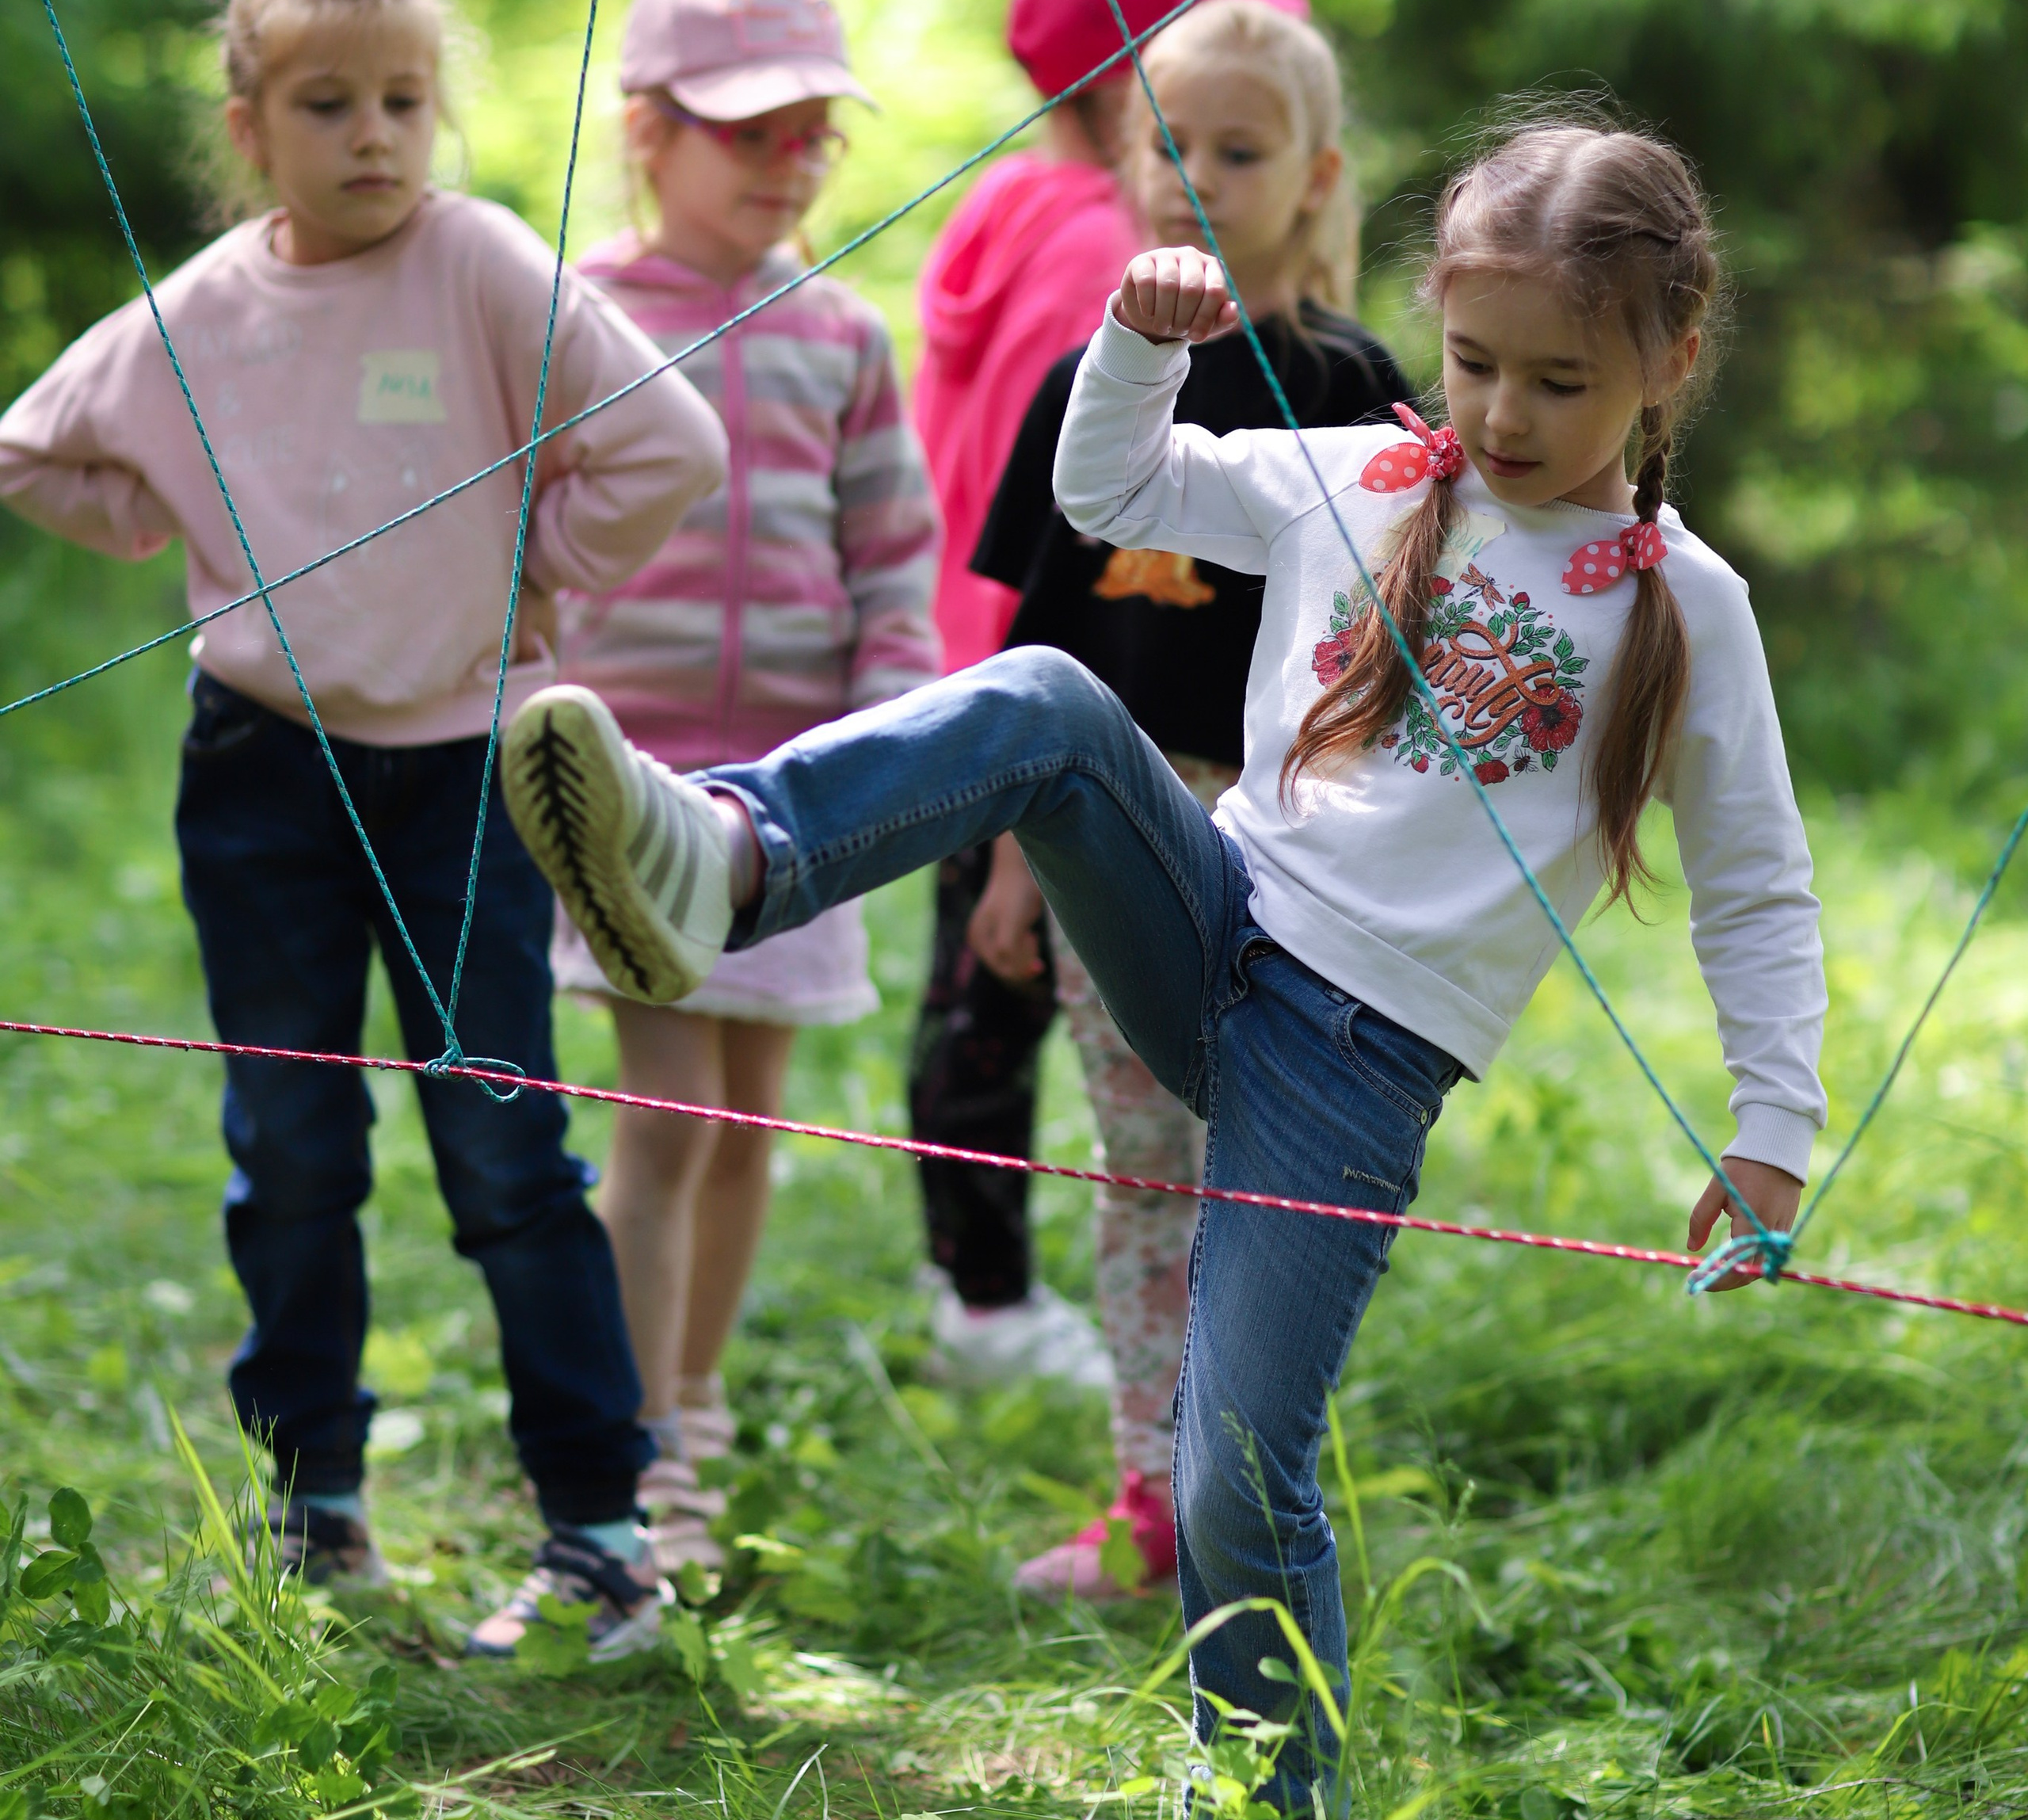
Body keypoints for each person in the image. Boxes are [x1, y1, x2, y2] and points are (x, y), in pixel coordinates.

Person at [499, 114, 1828, 1799]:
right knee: (1051, 698)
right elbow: (1112, 493)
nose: (1502, 413)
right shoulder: (1363, 477)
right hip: (1209, 914)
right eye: (1474, 360)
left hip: (1351, 1069)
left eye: (1558, 381)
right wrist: (1136, 345)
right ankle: (730, 855)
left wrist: (1772, 1126)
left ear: (1669, 359)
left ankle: (1276, 1789)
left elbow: (1756, 886)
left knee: (1231, 1474)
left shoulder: (1684, 607)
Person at [0, 0, 729, 1662]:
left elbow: (669, 443)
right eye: (327, 104)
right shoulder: (200, 308)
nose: (375, 135)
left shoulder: (475, 261)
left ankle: (601, 1533)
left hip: (466, 775)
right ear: (250, 126)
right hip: (261, 778)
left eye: (404, 98)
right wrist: (181, 523)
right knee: (291, 1148)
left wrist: (540, 562)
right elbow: (34, 450)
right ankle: (313, 1507)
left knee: (503, 1145)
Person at [966, 0, 1409, 1599]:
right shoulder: (1090, 383)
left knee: (1272, 1163)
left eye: (1239, 148)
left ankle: (1249, 1479)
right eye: (1166, 140)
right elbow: (1037, 649)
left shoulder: (1356, 388)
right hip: (1110, 820)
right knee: (1141, 1154)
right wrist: (1013, 856)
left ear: (1316, 176)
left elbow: (1399, 650)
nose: (1193, 174)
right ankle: (1151, 1497)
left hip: (1297, 830)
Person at [549, 0, 940, 1574]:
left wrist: (884, 737)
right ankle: (629, 1436)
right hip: (618, 784)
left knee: (749, 1115)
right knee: (667, 1111)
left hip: (792, 792)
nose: (788, 164)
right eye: (747, 131)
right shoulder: (569, 315)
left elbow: (893, 559)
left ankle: (692, 1405)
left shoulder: (841, 334)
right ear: (647, 130)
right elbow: (519, 537)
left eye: (811, 135)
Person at [909, 0, 1305, 1384]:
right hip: (1082, 667)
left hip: (992, 655)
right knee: (1021, 996)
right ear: (1127, 91)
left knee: (983, 997)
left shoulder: (1005, 209)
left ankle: (975, 1283)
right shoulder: (1108, 252)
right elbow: (1082, 496)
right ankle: (988, 1299)